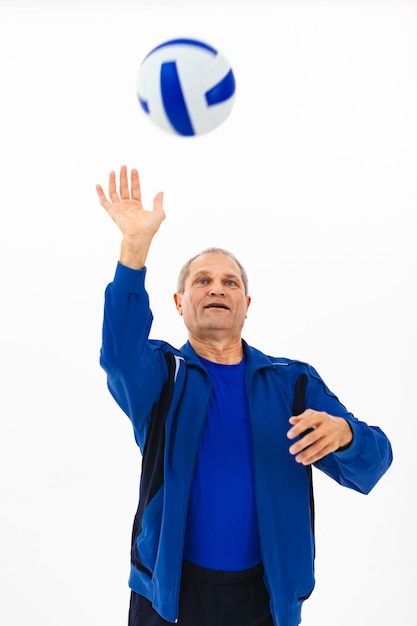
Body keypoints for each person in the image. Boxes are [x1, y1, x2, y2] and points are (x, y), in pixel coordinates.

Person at [96, 166, 393, 626]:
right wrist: (134, 249)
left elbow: (372, 466)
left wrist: (347, 434)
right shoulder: (162, 376)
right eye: (202, 280)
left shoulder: (293, 384)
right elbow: (118, 355)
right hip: (167, 597)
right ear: (179, 303)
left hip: (264, 601)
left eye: (230, 282)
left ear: (246, 305)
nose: (217, 287)